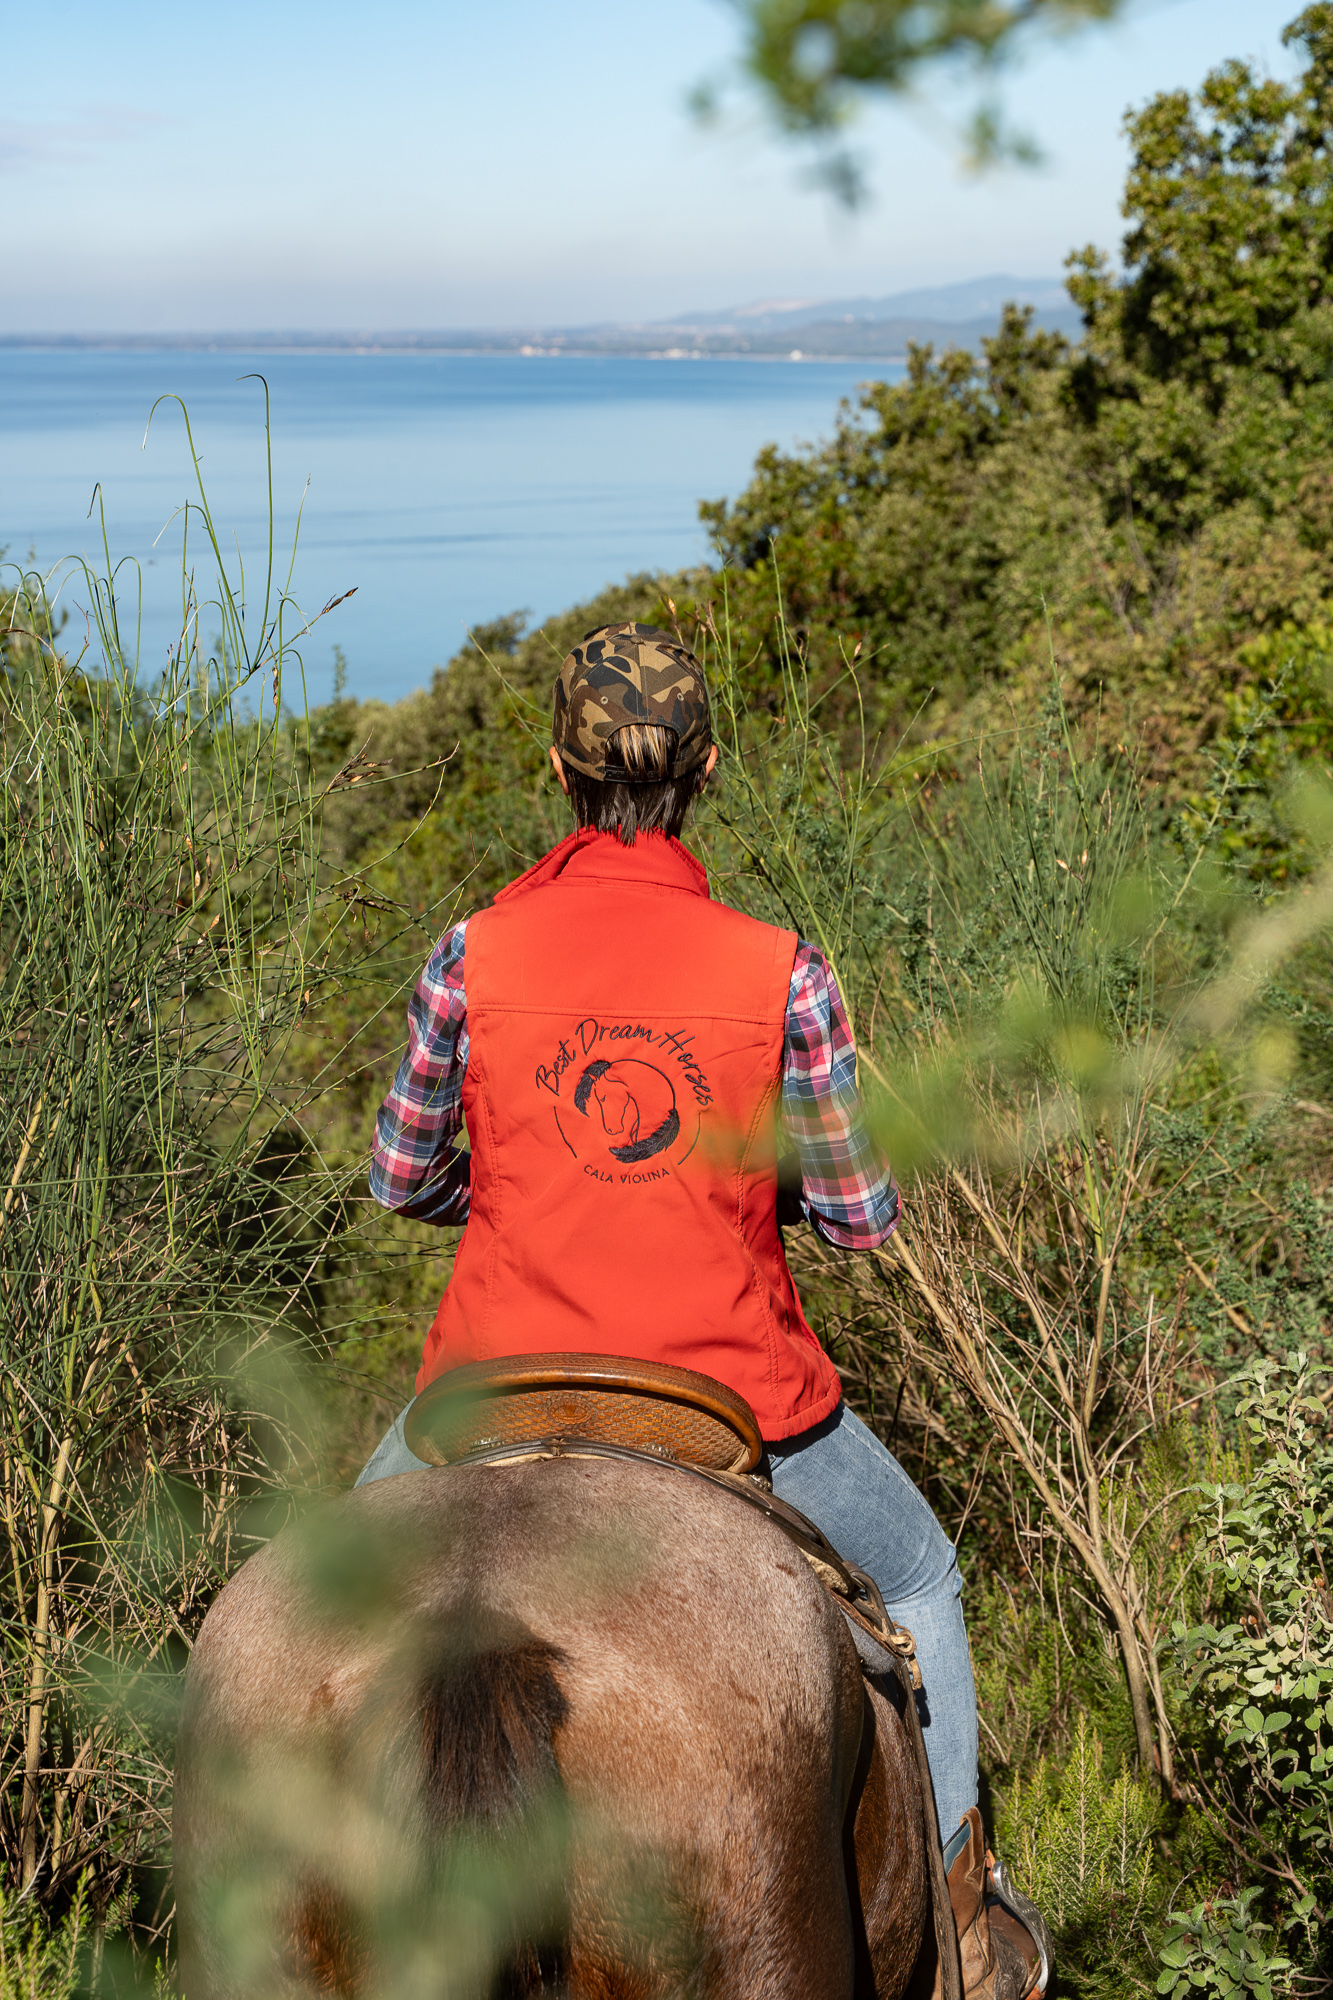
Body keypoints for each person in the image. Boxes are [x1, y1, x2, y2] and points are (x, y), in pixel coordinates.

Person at [361, 622, 1048, 1999]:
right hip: (729, 1390)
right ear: (707, 770)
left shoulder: (466, 953)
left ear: (557, 768)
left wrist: (511, 1189)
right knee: (919, 1580)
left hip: (490, 1379)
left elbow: (397, 1176)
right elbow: (863, 1212)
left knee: (312, 1600)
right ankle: (966, 1928)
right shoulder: (778, 966)